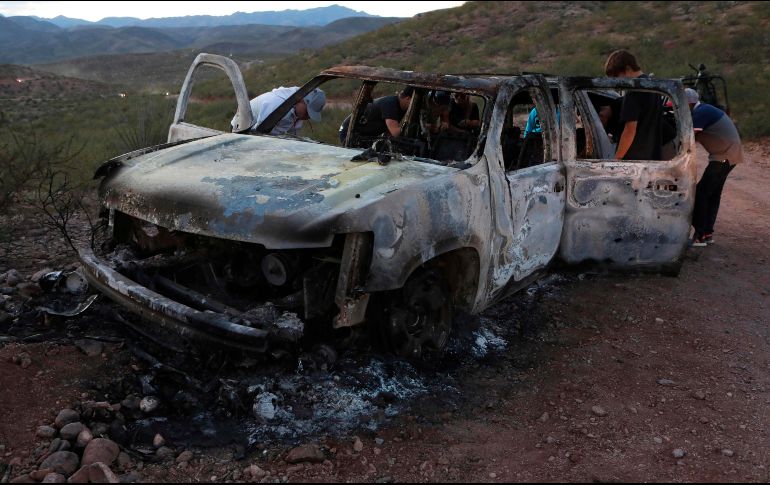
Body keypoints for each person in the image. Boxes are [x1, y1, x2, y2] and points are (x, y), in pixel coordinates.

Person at [685, 88, 743, 247]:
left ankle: (699, 236)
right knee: (712, 194)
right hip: (727, 154)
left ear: (689, 104)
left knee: (701, 193)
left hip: (724, 155)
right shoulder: (705, 110)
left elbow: (688, 139)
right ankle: (707, 233)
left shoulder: (700, 113)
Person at [604, 50, 663, 160]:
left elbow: (629, 130)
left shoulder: (633, 92)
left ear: (627, 69)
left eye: (616, 77)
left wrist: (616, 159)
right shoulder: (654, 86)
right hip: (652, 156)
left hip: (634, 160)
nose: (616, 83)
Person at [231, 86, 326, 136]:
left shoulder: (296, 109)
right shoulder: (276, 104)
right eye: (308, 112)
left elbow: (293, 134)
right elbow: (258, 133)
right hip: (240, 130)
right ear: (302, 100)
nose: (308, 116)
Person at [338, 86, 413, 145]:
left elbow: (390, 133)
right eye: (413, 101)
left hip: (366, 136)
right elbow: (395, 133)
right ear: (407, 98)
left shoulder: (402, 107)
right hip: (349, 133)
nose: (413, 106)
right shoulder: (390, 104)